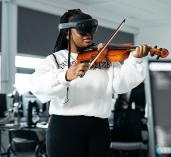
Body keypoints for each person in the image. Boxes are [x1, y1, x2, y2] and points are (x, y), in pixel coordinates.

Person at [30, 9, 149, 157]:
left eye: (91, 30)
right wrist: (65, 76)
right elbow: (37, 86)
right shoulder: (55, 60)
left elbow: (121, 85)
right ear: (67, 33)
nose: (89, 35)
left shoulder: (104, 57)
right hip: (65, 128)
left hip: (99, 128)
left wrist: (135, 60)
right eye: (82, 31)